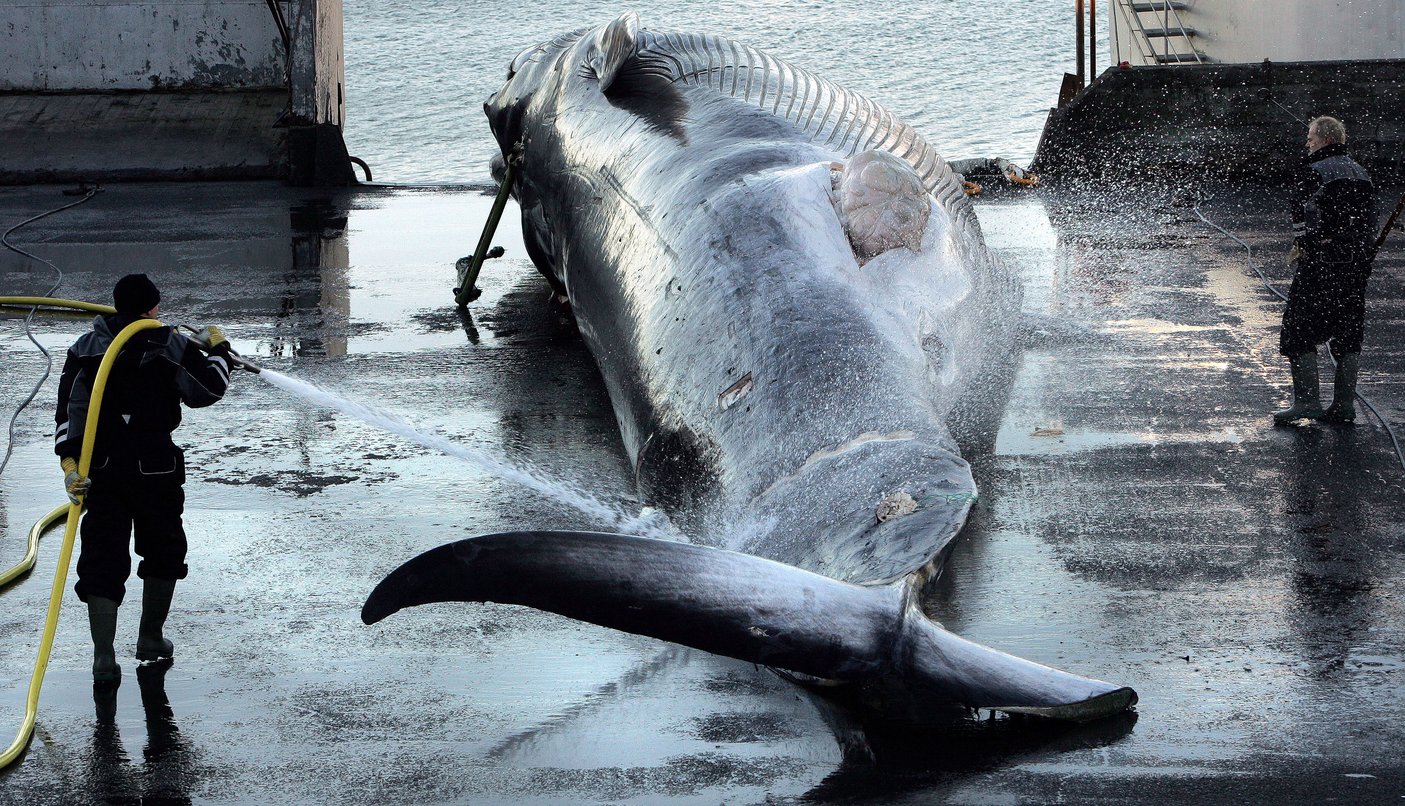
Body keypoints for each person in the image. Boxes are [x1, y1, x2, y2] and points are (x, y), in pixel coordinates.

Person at [55, 273, 233, 682]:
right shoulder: (169, 342)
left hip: (100, 471)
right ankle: (150, 637)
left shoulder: (84, 349)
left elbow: (69, 414)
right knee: (163, 549)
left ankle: (104, 659)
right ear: (152, 307)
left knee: (102, 558)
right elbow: (208, 389)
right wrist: (220, 349)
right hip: (156, 468)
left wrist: (70, 466)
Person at [1275, 116, 1378, 425]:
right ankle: (1343, 405)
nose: (1307, 144)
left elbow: (1302, 212)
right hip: (1355, 263)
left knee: (1297, 328)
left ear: (1324, 139)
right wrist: (1362, 254)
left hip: (1323, 264)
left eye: (1311, 138)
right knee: (1348, 332)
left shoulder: (1315, 172)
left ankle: (1307, 401)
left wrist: (1305, 244)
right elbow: (1369, 221)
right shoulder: (1361, 173)